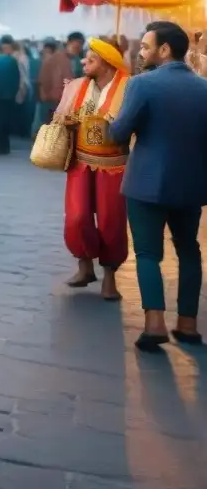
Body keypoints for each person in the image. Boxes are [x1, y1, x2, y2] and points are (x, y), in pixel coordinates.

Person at [109, 21, 207, 351]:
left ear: (164, 50)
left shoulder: (141, 84)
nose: (141, 51)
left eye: (146, 46)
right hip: (192, 182)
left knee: (148, 252)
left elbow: (120, 132)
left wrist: (113, 124)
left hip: (147, 182)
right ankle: (188, 324)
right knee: (189, 249)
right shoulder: (204, 88)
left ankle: (154, 324)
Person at [54, 38, 129, 300]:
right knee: (76, 218)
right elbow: (59, 116)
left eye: (91, 59)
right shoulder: (75, 86)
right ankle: (84, 266)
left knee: (112, 221)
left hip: (115, 165)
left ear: (108, 63)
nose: (84, 62)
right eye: (85, 58)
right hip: (80, 161)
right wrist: (65, 118)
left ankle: (110, 276)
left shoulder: (129, 87)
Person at [38, 38, 73, 124]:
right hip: (58, 98)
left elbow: (43, 81)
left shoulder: (48, 61)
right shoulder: (64, 60)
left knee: (47, 124)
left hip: (50, 98)